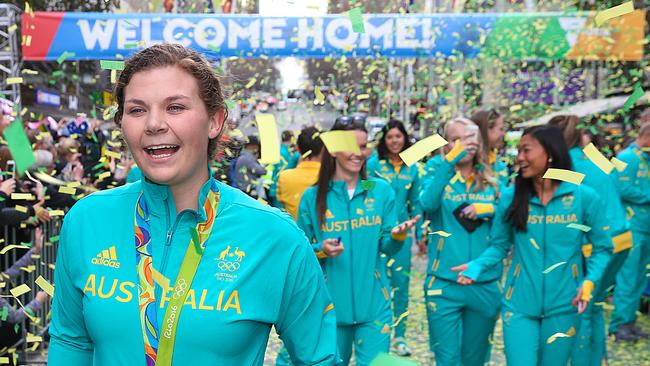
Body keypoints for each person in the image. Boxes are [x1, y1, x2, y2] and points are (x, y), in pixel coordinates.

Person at [48, 44, 339, 366]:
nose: (154, 124)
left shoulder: (276, 236)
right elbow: (70, 342)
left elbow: (319, 359)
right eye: (136, 110)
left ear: (215, 120)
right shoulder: (86, 219)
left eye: (175, 107)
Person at [452, 124, 612, 365]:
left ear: (549, 153)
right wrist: (478, 265)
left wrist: (589, 281)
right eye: (519, 151)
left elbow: (603, 248)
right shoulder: (511, 196)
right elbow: (499, 245)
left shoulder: (583, 196)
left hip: (564, 306)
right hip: (518, 307)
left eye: (526, 150)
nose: (519, 158)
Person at [297, 119, 420, 365]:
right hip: (329, 311)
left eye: (363, 146)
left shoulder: (379, 189)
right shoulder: (312, 197)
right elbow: (301, 254)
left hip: (375, 308)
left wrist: (397, 236)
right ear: (333, 148)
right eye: (352, 146)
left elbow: (387, 246)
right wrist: (321, 250)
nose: (359, 153)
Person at [548, 115, 633, 363]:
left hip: (596, 246)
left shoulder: (564, 167)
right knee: (593, 305)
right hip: (622, 239)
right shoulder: (593, 159)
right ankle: (597, 359)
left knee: (580, 308)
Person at [419, 117, 500, 365]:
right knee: (447, 359)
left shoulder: (495, 172)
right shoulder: (434, 169)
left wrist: (488, 208)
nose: (466, 144)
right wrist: (449, 161)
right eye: (458, 139)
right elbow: (427, 203)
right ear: (446, 143)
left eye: (471, 138)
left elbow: (510, 213)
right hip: (444, 282)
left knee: (475, 359)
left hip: (484, 281)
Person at [366, 119, 423, 356]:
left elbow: (417, 203)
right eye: (390, 137)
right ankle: (376, 332)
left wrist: (420, 235)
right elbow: (365, 195)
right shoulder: (373, 165)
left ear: (405, 139)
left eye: (398, 137)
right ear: (384, 140)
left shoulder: (413, 168)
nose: (394, 141)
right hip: (375, 234)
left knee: (401, 286)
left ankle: (399, 337)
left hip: (402, 237)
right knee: (376, 284)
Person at [608, 121, 650, 342]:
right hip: (631, 227)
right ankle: (619, 325)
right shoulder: (625, 158)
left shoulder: (646, 159)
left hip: (646, 227)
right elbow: (621, 188)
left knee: (639, 279)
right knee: (627, 276)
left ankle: (630, 322)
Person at [277, 126, 324, 220]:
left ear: (298, 148)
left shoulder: (284, 177)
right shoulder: (333, 175)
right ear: (323, 148)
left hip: (294, 232)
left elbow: (281, 202)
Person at [470, 108, 509, 187]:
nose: (503, 134)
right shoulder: (466, 163)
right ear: (486, 129)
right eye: (501, 129)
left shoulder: (499, 165)